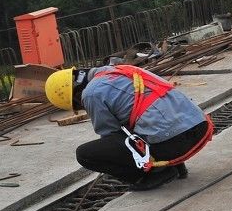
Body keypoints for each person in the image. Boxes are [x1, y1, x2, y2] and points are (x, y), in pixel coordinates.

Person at [43, 64, 212, 191]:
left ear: (75, 95)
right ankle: (176, 167)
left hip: (174, 144)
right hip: (200, 127)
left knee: (85, 154)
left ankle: (150, 176)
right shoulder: (122, 70)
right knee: (144, 119)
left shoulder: (90, 93)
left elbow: (112, 136)